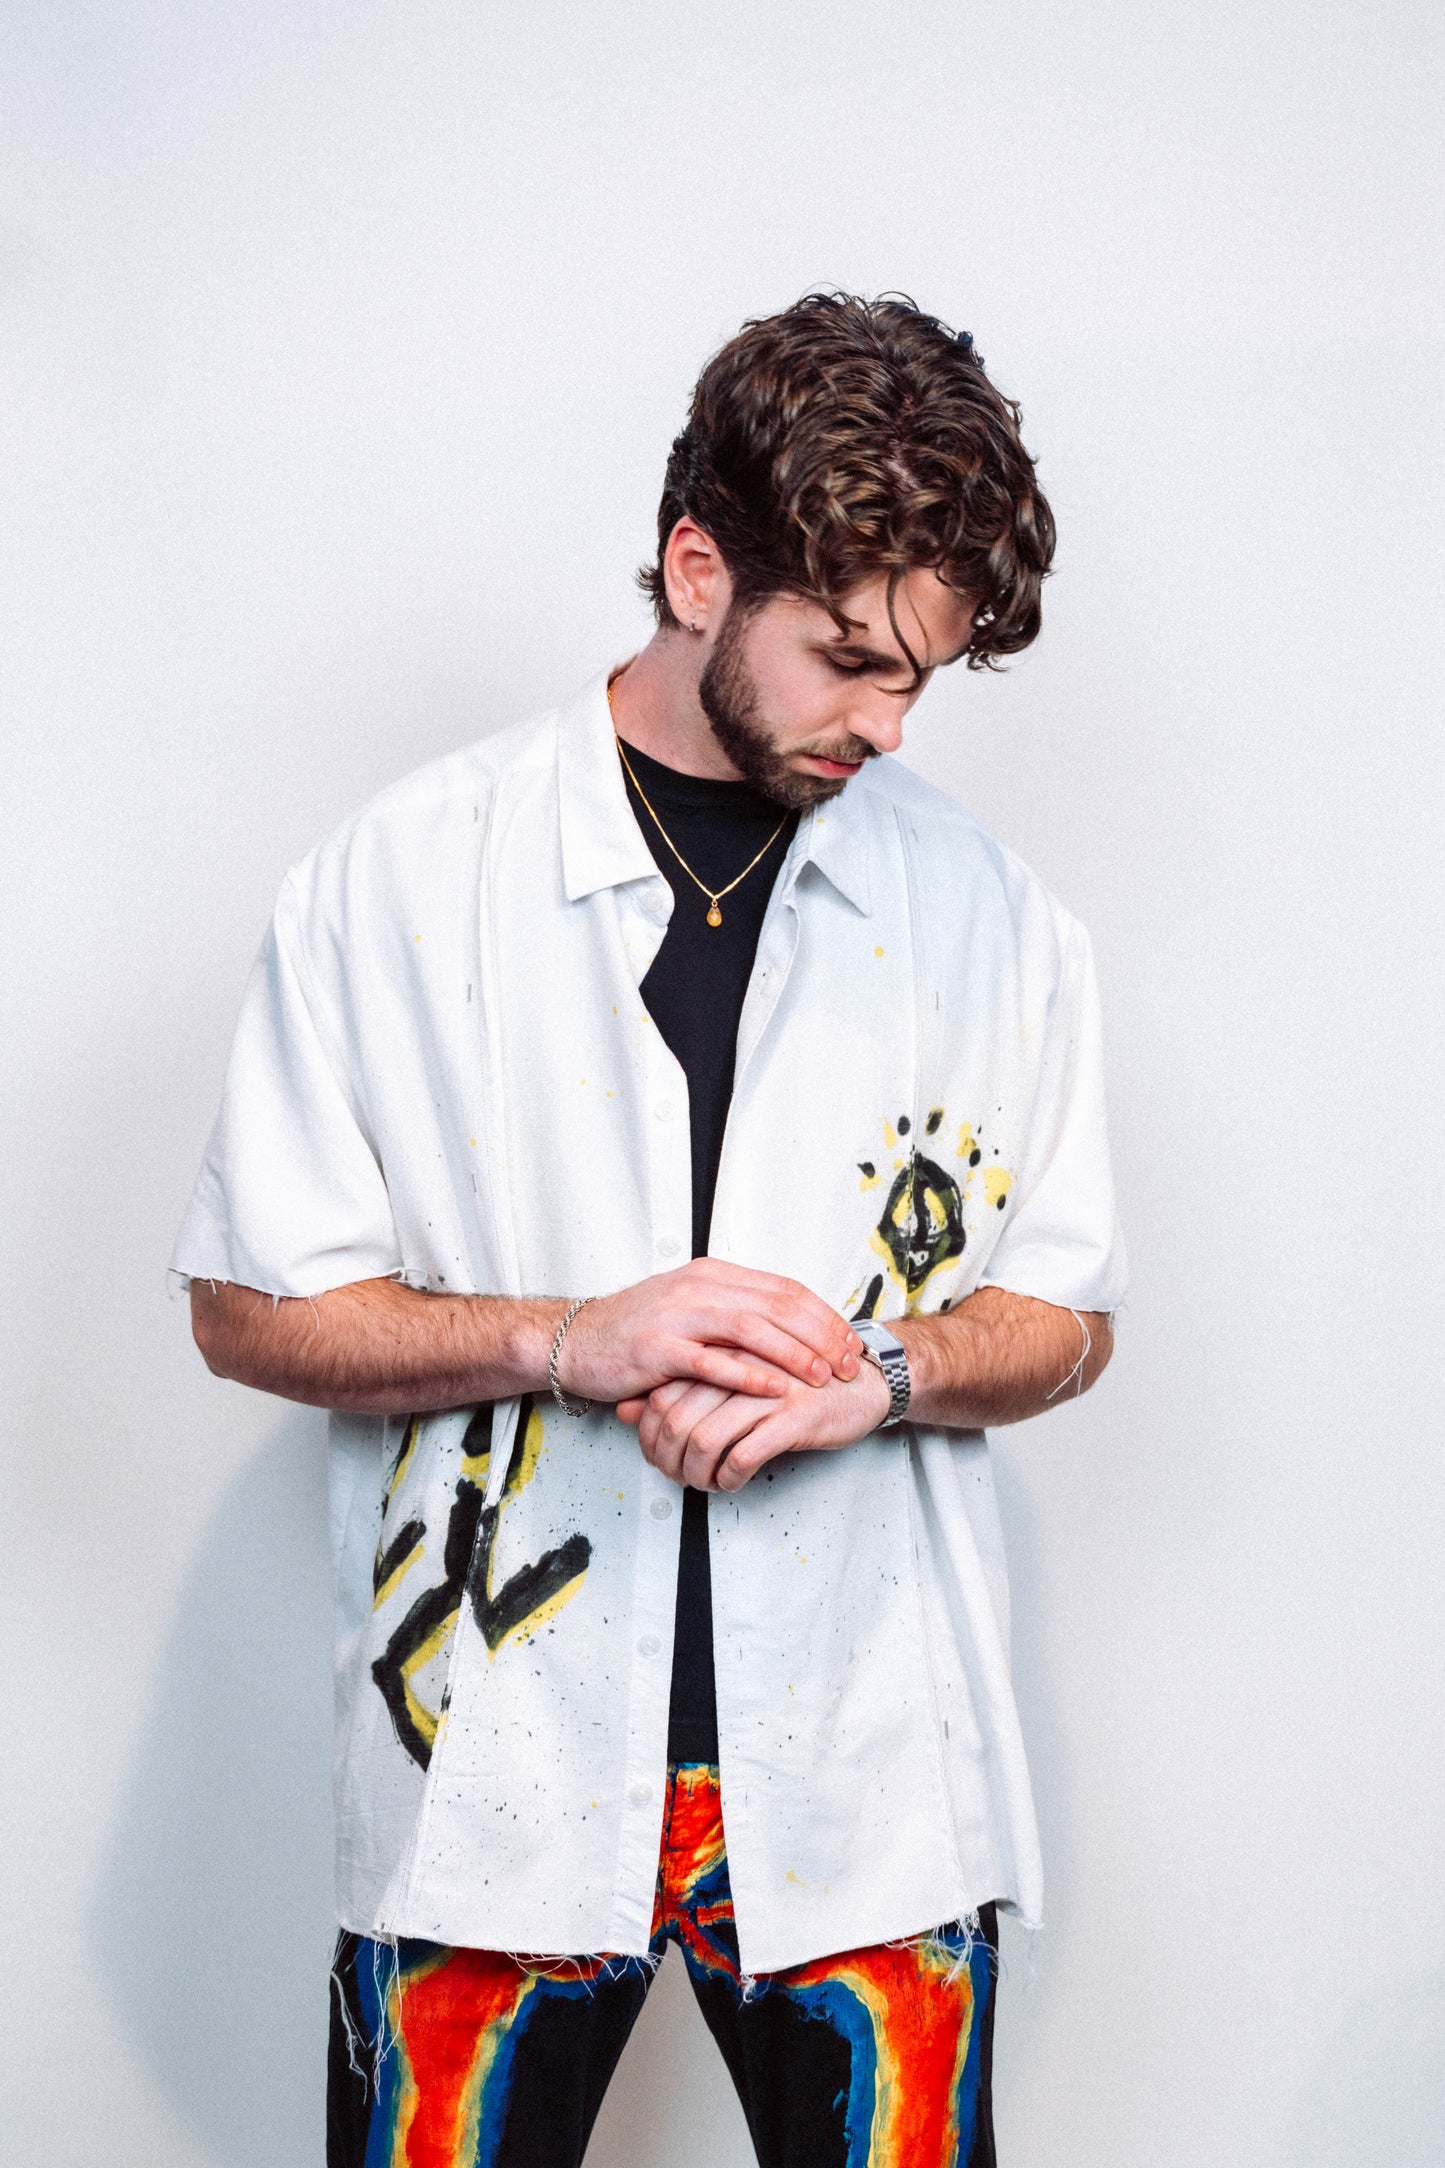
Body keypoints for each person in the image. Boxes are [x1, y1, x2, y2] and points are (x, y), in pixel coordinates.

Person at [172, 291, 1125, 2168]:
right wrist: (562, 1342)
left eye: (920, 679)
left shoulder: (990, 915)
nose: (884, 722)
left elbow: (1071, 1318)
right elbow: (246, 1304)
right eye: (846, 658)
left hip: (869, 1782)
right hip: (489, 1762)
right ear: (699, 570)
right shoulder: (406, 877)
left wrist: (880, 1373)